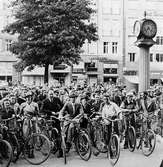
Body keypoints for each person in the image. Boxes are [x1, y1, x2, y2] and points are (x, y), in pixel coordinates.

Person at [40, 89, 63, 158]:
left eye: (52, 94)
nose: (51, 95)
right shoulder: (45, 101)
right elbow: (42, 110)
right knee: (49, 134)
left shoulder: (57, 99)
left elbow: (62, 106)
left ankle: (60, 150)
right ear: (48, 95)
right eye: (50, 94)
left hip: (56, 119)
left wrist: (60, 112)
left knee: (57, 134)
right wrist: (50, 112)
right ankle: (51, 146)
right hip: (49, 118)